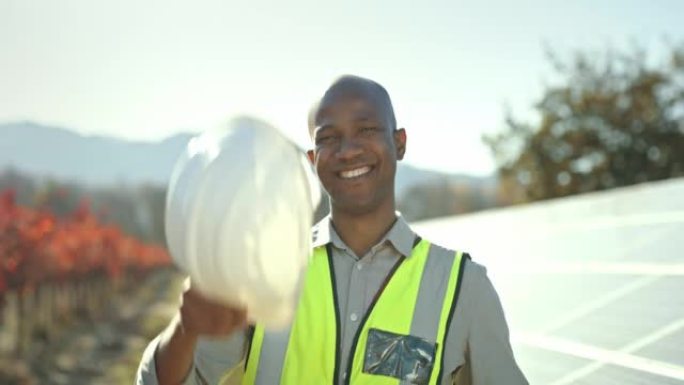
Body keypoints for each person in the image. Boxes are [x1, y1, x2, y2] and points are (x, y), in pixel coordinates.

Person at [136, 75, 528, 385]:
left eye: (367, 129)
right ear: (312, 159)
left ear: (400, 142)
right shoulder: (263, 273)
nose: (348, 150)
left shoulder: (465, 288)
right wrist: (185, 329)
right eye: (328, 137)